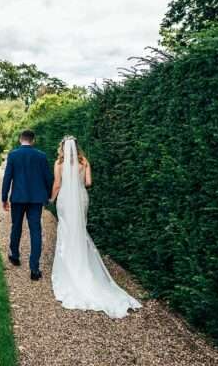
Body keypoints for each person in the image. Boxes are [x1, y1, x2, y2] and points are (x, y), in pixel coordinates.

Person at [50, 136, 141, 318]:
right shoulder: (84, 162)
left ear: (63, 148)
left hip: (66, 200)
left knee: (66, 231)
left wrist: (51, 198)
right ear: (77, 147)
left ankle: (69, 265)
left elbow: (58, 184)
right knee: (80, 229)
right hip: (82, 198)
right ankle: (83, 262)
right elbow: (89, 183)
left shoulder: (58, 164)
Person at [1, 130, 53, 280]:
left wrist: (4, 198)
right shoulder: (41, 156)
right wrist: (49, 196)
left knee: (16, 226)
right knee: (35, 231)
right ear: (33, 141)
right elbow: (48, 178)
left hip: (17, 198)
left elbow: (7, 178)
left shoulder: (13, 155)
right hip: (36, 199)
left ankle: (15, 256)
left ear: (20, 139)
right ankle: (34, 269)